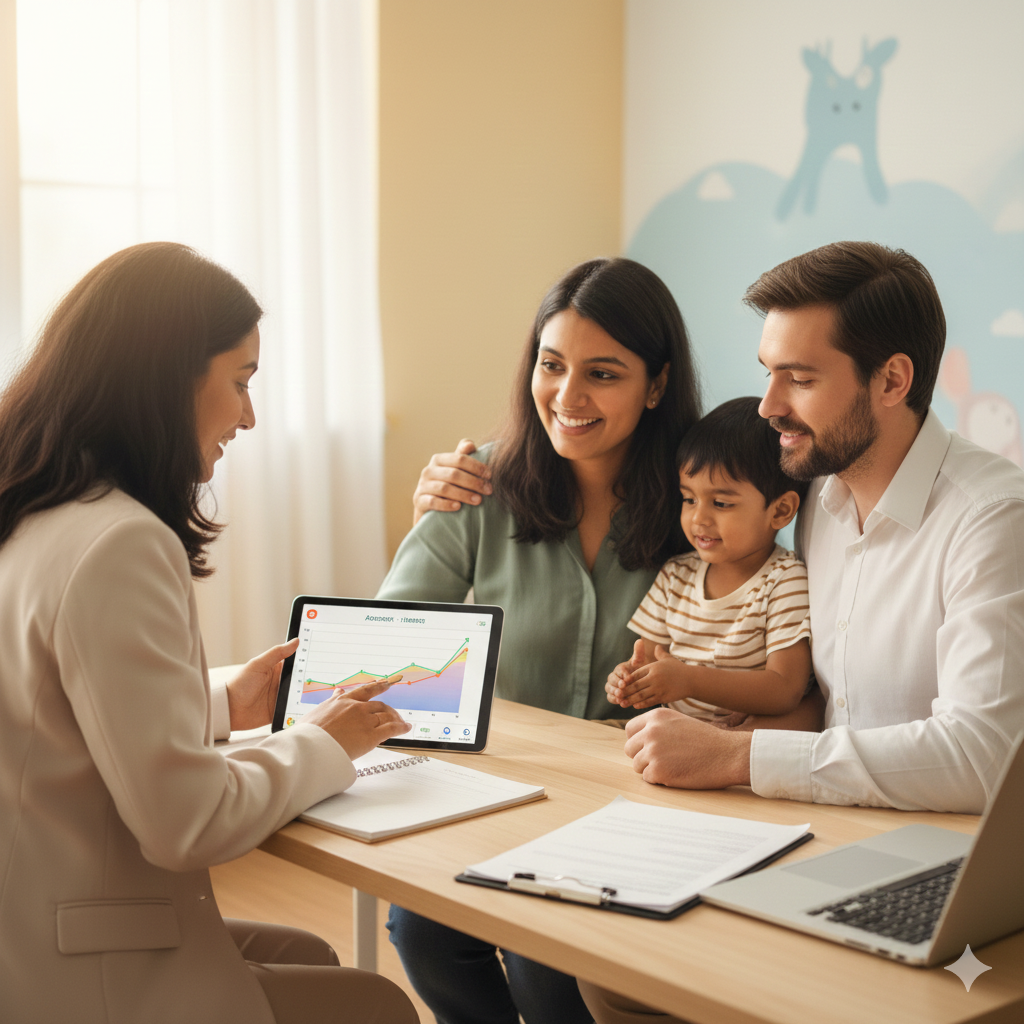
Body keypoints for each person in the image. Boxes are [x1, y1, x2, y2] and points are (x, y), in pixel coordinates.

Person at [578, 240, 1024, 1024]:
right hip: (837, 836)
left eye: (801, 378)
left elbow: (982, 756)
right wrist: (466, 477)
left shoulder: (991, 519)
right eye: (768, 371)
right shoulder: (815, 496)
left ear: (892, 381)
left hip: (952, 864)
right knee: (610, 965)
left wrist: (736, 756)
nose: (768, 405)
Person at [0, 243, 418, 1024]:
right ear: (167, 378)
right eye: (241, 381)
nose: (248, 417)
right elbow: (184, 824)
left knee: (311, 953)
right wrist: (324, 741)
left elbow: (53, 712)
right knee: (378, 1004)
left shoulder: (32, 511)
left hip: (28, 923)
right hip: (73, 967)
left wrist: (224, 703)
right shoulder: (120, 541)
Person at [605, 396, 812, 720]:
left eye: (721, 503)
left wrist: (689, 680)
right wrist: (630, 677)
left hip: (736, 743)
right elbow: (648, 658)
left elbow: (785, 689)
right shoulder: (676, 575)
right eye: (688, 499)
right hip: (671, 734)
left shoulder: (784, 581)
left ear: (780, 510)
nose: (698, 518)